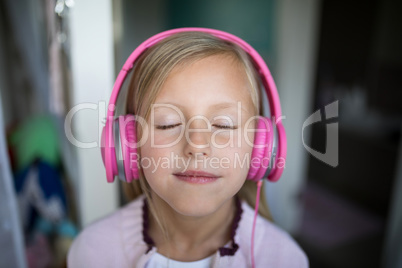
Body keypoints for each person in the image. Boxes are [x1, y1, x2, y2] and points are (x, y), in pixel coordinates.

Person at [67, 28, 308, 267]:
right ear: (128, 144)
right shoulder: (91, 252)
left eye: (223, 125)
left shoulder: (285, 260)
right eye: (167, 123)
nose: (197, 145)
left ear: (261, 147)